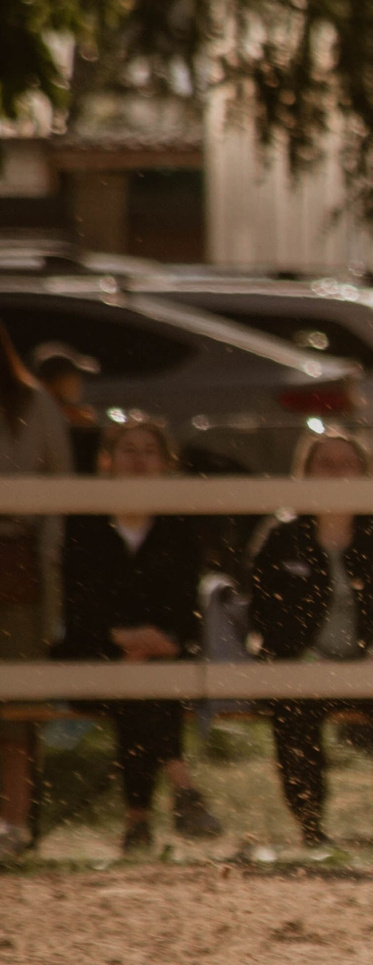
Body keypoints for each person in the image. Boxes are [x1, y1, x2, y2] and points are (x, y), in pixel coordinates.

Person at [246, 429, 373, 849]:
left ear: (364, 474)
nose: (337, 472)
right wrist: (311, 661)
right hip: (305, 666)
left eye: (347, 463)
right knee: (292, 702)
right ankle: (310, 825)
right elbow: (265, 615)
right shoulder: (281, 538)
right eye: (325, 464)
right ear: (305, 473)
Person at [55, 416, 223, 854]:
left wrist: (160, 640)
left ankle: (138, 824)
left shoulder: (179, 527)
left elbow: (188, 605)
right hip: (92, 653)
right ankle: (181, 787)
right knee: (140, 681)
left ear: (166, 463)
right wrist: (119, 638)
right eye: (128, 449)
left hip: (162, 655)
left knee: (144, 682)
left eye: (150, 450)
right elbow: (77, 604)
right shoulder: (86, 523)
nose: (139, 459)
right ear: (108, 460)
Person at [0, 324, 73, 859]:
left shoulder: (34, 405)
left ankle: (16, 823)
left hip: (17, 562)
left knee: (19, 699)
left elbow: (59, 483)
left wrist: (44, 558)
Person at [28, 341, 99, 473]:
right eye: (72, 377)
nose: (79, 383)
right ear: (52, 382)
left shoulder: (78, 416)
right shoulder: (37, 416)